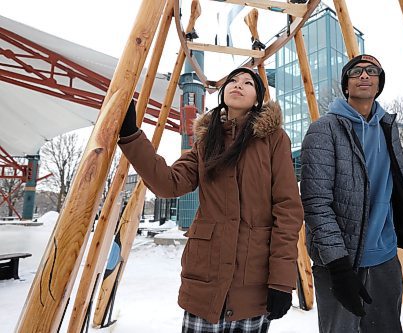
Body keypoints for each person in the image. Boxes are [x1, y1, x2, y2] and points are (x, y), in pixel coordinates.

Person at [118, 67, 303, 332]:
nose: (238, 84)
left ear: (258, 98)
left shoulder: (272, 139)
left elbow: (288, 208)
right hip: (206, 280)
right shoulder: (206, 142)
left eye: (248, 82)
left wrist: (282, 281)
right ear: (223, 92)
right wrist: (131, 136)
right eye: (233, 81)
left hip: (253, 279)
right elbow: (169, 183)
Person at [300, 54, 403, 332]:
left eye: (372, 71)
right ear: (346, 85)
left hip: (385, 258)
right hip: (342, 262)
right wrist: (338, 265)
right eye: (356, 71)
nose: (364, 75)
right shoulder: (324, 130)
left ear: (379, 84)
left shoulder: (387, 128)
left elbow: (395, 179)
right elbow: (316, 203)